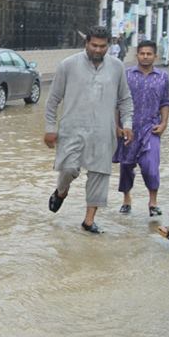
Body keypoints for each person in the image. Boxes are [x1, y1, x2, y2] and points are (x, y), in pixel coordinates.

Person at [46, 26, 133, 234]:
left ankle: (88, 221)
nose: (97, 50)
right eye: (94, 45)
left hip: (103, 132)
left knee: (99, 174)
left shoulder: (117, 67)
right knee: (68, 168)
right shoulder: (67, 65)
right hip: (71, 130)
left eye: (102, 46)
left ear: (108, 46)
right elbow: (52, 100)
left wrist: (128, 125)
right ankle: (61, 191)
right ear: (86, 43)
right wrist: (50, 128)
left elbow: (125, 100)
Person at [114, 40, 169, 216]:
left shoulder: (162, 77)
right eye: (142, 53)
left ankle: (152, 203)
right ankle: (126, 199)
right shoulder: (126, 75)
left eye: (149, 54)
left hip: (151, 129)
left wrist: (163, 124)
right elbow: (117, 103)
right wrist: (116, 125)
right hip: (128, 128)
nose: (145, 56)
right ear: (136, 55)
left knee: (150, 166)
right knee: (126, 167)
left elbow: (165, 103)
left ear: (155, 56)